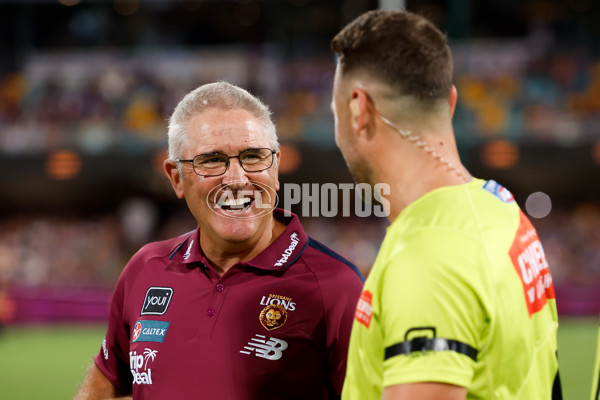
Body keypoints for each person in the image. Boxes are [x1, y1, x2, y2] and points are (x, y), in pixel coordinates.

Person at [75, 81, 364, 399]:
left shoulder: (336, 287)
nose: (238, 179)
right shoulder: (145, 268)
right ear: (176, 178)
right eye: (211, 160)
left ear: (276, 167)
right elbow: (108, 376)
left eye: (253, 156)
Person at [330, 10, 561, 400]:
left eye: (334, 113)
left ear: (358, 109)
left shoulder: (428, 256)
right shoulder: (501, 207)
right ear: (451, 101)